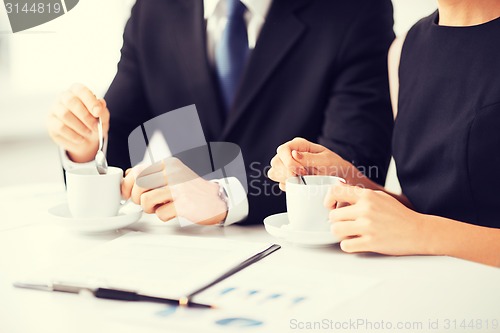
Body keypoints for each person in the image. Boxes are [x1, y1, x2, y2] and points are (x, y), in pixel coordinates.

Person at [47, 0, 395, 226]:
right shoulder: (154, 10)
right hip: (187, 257)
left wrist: (226, 197)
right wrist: (87, 147)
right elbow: (116, 144)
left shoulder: (356, 10)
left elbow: (354, 165)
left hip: (300, 254)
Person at [268, 0, 500, 267]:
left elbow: (422, 227)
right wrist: (346, 177)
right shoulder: (404, 49)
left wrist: (423, 232)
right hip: (423, 284)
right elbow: (428, 208)